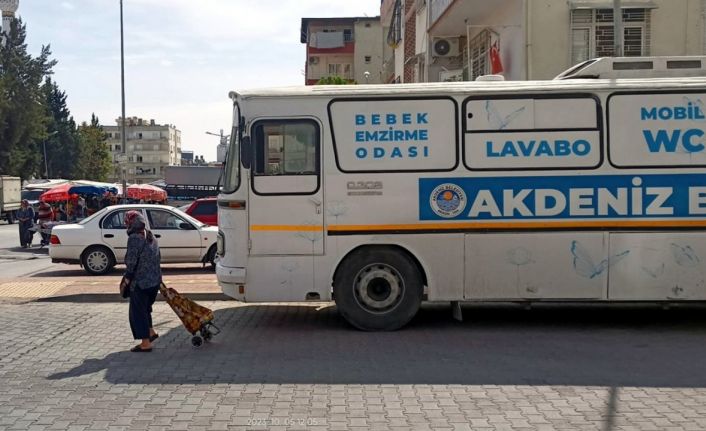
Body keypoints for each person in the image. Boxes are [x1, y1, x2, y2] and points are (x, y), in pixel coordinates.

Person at [124, 210, 162, 352]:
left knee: (138, 312)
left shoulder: (134, 238)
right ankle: (151, 332)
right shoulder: (150, 235)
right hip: (154, 281)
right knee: (146, 309)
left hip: (140, 282)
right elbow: (158, 257)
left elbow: (132, 261)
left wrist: (127, 278)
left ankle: (145, 343)